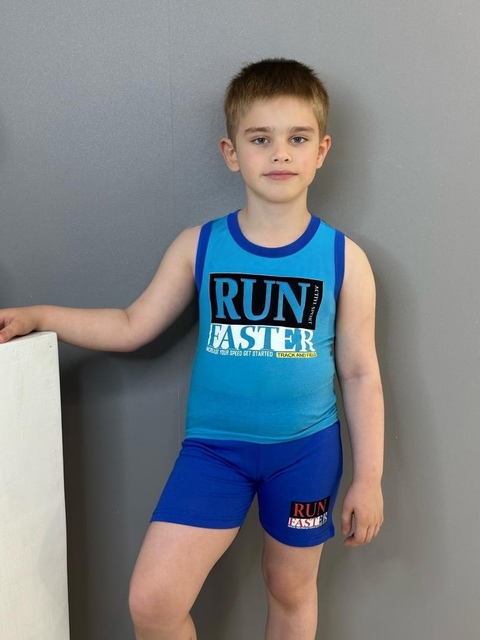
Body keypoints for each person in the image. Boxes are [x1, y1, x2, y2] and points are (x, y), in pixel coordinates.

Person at [0, 58, 384, 640]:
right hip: (215, 453)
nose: (280, 154)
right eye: (261, 138)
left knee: (290, 589)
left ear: (321, 151)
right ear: (232, 152)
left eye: (297, 138)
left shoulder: (344, 259)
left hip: (305, 453)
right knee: (153, 601)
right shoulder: (199, 246)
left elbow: (359, 374)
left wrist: (369, 478)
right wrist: (38, 316)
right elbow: (131, 324)